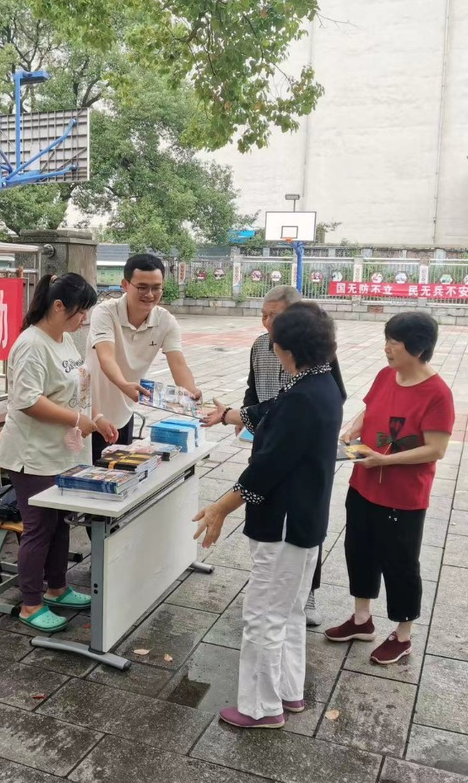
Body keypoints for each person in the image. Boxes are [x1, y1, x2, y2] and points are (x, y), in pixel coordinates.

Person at [194, 303, 342, 729]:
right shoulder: (323, 382)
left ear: (285, 348)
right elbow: (272, 414)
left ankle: (260, 708)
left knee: (262, 616)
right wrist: (230, 415)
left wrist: (222, 506)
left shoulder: (303, 397)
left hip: (284, 523)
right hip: (305, 520)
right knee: (290, 612)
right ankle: (288, 692)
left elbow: (267, 468)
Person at [324, 311, 454, 664]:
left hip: (403, 496)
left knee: (400, 564)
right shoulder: (386, 376)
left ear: (417, 347)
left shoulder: (437, 393)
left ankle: (402, 635)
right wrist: (352, 430)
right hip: (364, 483)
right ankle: (362, 620)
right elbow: (368, 410)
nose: (386, 349)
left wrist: (386, 461)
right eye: (387, 341)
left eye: (393, 343)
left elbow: (436, 449)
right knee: (359, 550)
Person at [0, 273, 118, 634]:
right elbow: (28, 401)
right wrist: (81, 420)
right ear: (58, 306)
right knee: (38, 529)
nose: (85, 321)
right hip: (32, 454)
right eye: (81, 312)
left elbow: (73, 390)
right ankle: (30, 604)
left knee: (59, 523)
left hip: (61, 450)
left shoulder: (64, 339)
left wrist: (92, 417)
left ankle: (57, 587)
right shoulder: (31, 344)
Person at [242, 286, 347, 628]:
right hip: (272, 438)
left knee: (269, 619)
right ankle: (287, 594)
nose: (267, 322)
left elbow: (325, 399)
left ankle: (306, 592)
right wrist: (242, 416)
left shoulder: (315, 366)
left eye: (275, 316)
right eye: (264, 314)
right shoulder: (261, 346)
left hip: (296, 457)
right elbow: (253, 390)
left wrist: (220, 507)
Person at [87, 253, 202, 462]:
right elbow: (106, 357)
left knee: (119, 477)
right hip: (90, 411)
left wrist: (190, 392)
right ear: (125, 284)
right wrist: (123, 384)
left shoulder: (166, 321)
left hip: (124, 410)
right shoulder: (104, 313)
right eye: (142, 287)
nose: (150, 294)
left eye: (156, 287)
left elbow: (178, 363)